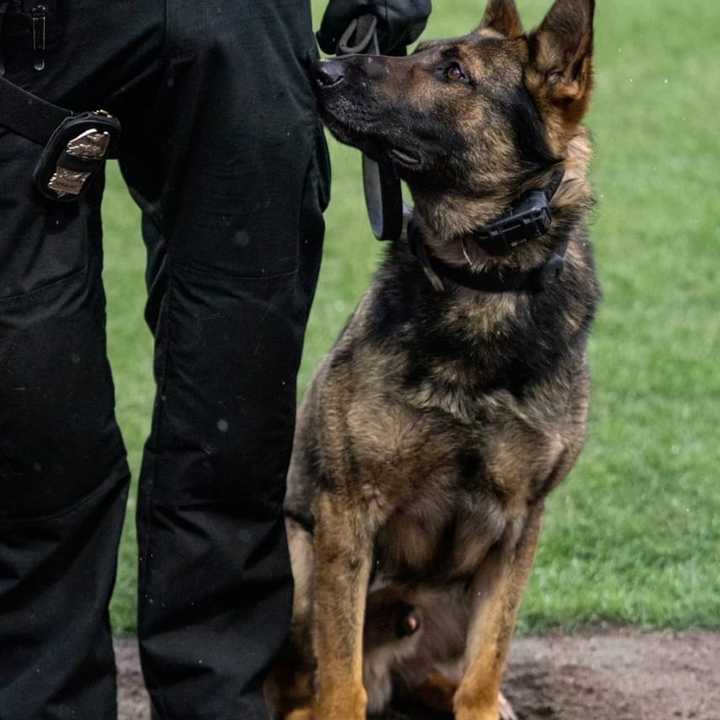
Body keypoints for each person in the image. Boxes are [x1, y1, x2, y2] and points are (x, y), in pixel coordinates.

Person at [0, 1, 430, 718]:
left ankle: (218, 699)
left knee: (234, 420)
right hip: (29, 34)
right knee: (33, 431)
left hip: (241, 25)